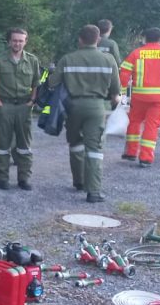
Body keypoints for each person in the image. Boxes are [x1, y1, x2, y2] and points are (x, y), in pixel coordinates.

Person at [49, 25, 121, 202]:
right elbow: (115, 90)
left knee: (75, 144)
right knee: (94, 148)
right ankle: (94, 191)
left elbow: (52, 83)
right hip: (96, 107)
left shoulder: (67, 59)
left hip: (72, 106)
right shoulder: (109, 59)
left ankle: (78, 181)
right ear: (98, 40)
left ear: (80, 39)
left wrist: (48, 72)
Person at [119, 27, 160, 167]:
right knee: (151, 127)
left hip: (139, 97)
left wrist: (122, 93)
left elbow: (124, 73)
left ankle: (131, 152)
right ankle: (145, 158)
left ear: (145, 38)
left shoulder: (137, 53)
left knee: (134, 122)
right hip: (159, 98)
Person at [0, 28, 41, 190]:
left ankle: (24, 179)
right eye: (15, 40)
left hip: (23, 107)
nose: (17, 43)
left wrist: (32, 100)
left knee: (24, 145)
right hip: (4, 106)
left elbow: (36, 83)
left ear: (25, 42)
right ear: (9, 41)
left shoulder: (32, 61)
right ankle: (2, 178)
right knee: (1, 145)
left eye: (21, 40)